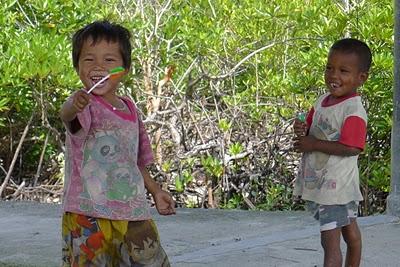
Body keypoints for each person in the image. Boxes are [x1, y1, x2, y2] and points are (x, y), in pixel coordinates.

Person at [60, 20, 175, 266]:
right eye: (89, 59)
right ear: (77, 66)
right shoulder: (83, 105)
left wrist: (156, 191)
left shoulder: (131, 109)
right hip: (87, 214)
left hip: (132, 211)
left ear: (124, 69)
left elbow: (134, 160)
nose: (98, 66)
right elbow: (67, 116)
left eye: (109, 60)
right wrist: (72, 106)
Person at [293, 38, 372, 267]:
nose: (333, 75)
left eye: (343, 71)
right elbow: (309, 128)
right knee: (350, 233)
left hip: (335, 187)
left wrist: (313, 144)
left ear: (361, 78)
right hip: (328, 184)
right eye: (329, 68)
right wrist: (300, 129)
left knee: (330, 242)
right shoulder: (321, 102)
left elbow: (352, 147)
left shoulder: (353, 109)